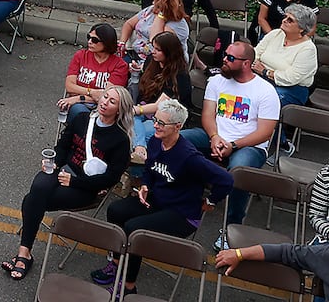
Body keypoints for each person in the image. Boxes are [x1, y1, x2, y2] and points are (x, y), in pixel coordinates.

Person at [92, 100, 233, 294]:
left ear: (178, 127)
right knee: (115, 210)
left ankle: (127, 287)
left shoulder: (190, 157)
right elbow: (150, 169)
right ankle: (117, 263)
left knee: (134, 228)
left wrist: (210, 201)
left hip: (182, 213)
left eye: (161, 123)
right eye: (156, 120)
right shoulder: (157, 142)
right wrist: (145, 185)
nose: (155, 126)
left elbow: (226, 180)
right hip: (158, 200)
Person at [4, 86, 133, 280]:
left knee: (31, 201)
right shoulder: (82, 120)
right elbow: (63, 146)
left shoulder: (120, 140)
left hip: (85, 187)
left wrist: (75, 181)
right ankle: (24, 253)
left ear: (120, 110)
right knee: (38, 189)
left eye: (112, 101)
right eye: (105, 97)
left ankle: (24, 255)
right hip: (64, 170)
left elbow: (110, 179)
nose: (105, 102)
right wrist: (54, 163)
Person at [180, 40, 281, 247]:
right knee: (179, 140)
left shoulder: (265, 91)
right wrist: (215, 137)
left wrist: (233, 145)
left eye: (230, 58)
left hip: (249, 145)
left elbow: (265, 132)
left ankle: (231, 227)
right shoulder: (217, 81)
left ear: (246, 63)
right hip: (215, 137)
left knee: (239, 171)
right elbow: (207, 115)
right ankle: (177, 201)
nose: (224, 60)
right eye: (225, 55)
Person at [126, 32, 191, 152]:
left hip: (165, 118)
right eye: (153, 47)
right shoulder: (151, 61)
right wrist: (136, 73)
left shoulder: (180, 75)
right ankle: (139, 149)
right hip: (143, 111)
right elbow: (141, 89)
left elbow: (159, 106)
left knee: (142, 131)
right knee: (131, 123)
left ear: (169, 52)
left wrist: (135, 110)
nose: (153, 51)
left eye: (158, 49)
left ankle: (139, 150)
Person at [120, 0, 190, 73]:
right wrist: (122, 43)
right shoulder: (150, 10)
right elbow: (129, 24)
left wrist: (161, 16)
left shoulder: (178, 24)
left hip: (161, 64)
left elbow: (155, 41)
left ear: (162, 0)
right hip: (135, 53)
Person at [60, 23, 130, 109]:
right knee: (78, 110)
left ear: (106, 42)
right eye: (88, 37)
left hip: (104, 107)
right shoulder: (80, 56)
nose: (89, 42)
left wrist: (80, 98)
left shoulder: (120, 65)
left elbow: (107, 97)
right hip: (77, 105)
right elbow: (69, 86)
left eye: (95, 40)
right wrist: (92, 92)